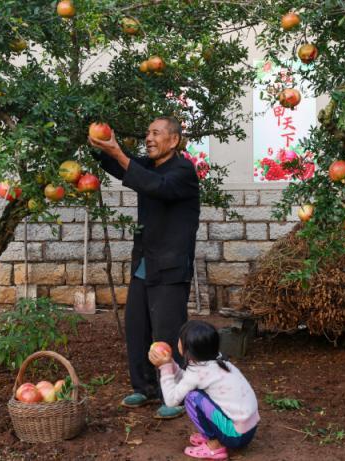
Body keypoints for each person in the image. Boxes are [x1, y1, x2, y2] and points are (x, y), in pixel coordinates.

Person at [88, 117, 200, 419]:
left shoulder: (182, 171)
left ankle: (174, 394)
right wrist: (99, 148)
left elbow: (156, 187)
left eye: (155, 133)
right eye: (147, 132)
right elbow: (122, 168)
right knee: (137, 328)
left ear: (173, 140)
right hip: (145, 264)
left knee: (166, 331)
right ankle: (144, 386)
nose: (148, 138)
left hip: (171, 265)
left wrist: (119, 152)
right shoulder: (149, 166)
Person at [149, 320, 259, 460]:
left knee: (193, 398)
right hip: (247, 430)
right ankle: (216, 435)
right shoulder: (218, 361)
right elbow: (187, 381)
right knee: (197, 394)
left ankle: (215, 447)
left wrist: (164, 367)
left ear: (188, 349)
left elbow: (171, 401)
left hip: (235, 435)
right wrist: (170, 364)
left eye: (180, 340)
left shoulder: (197, 373)